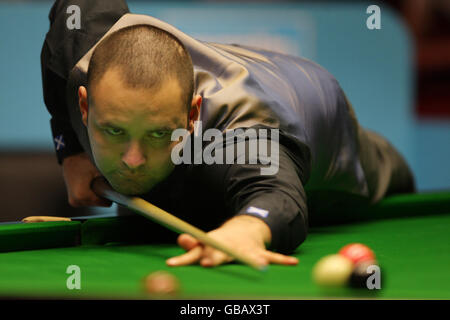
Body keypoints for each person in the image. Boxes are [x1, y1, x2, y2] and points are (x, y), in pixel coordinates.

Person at [41, 0, 415, 268]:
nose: (131, 159)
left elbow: (277, 196)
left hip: (321, 119)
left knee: (387, 169)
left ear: (191, 115)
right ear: (85, 105)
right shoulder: (83, 53)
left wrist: (248, 229)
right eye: (114, 130)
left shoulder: (242, 132)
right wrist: (71, 149)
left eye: (158, 134)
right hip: (229, 69)